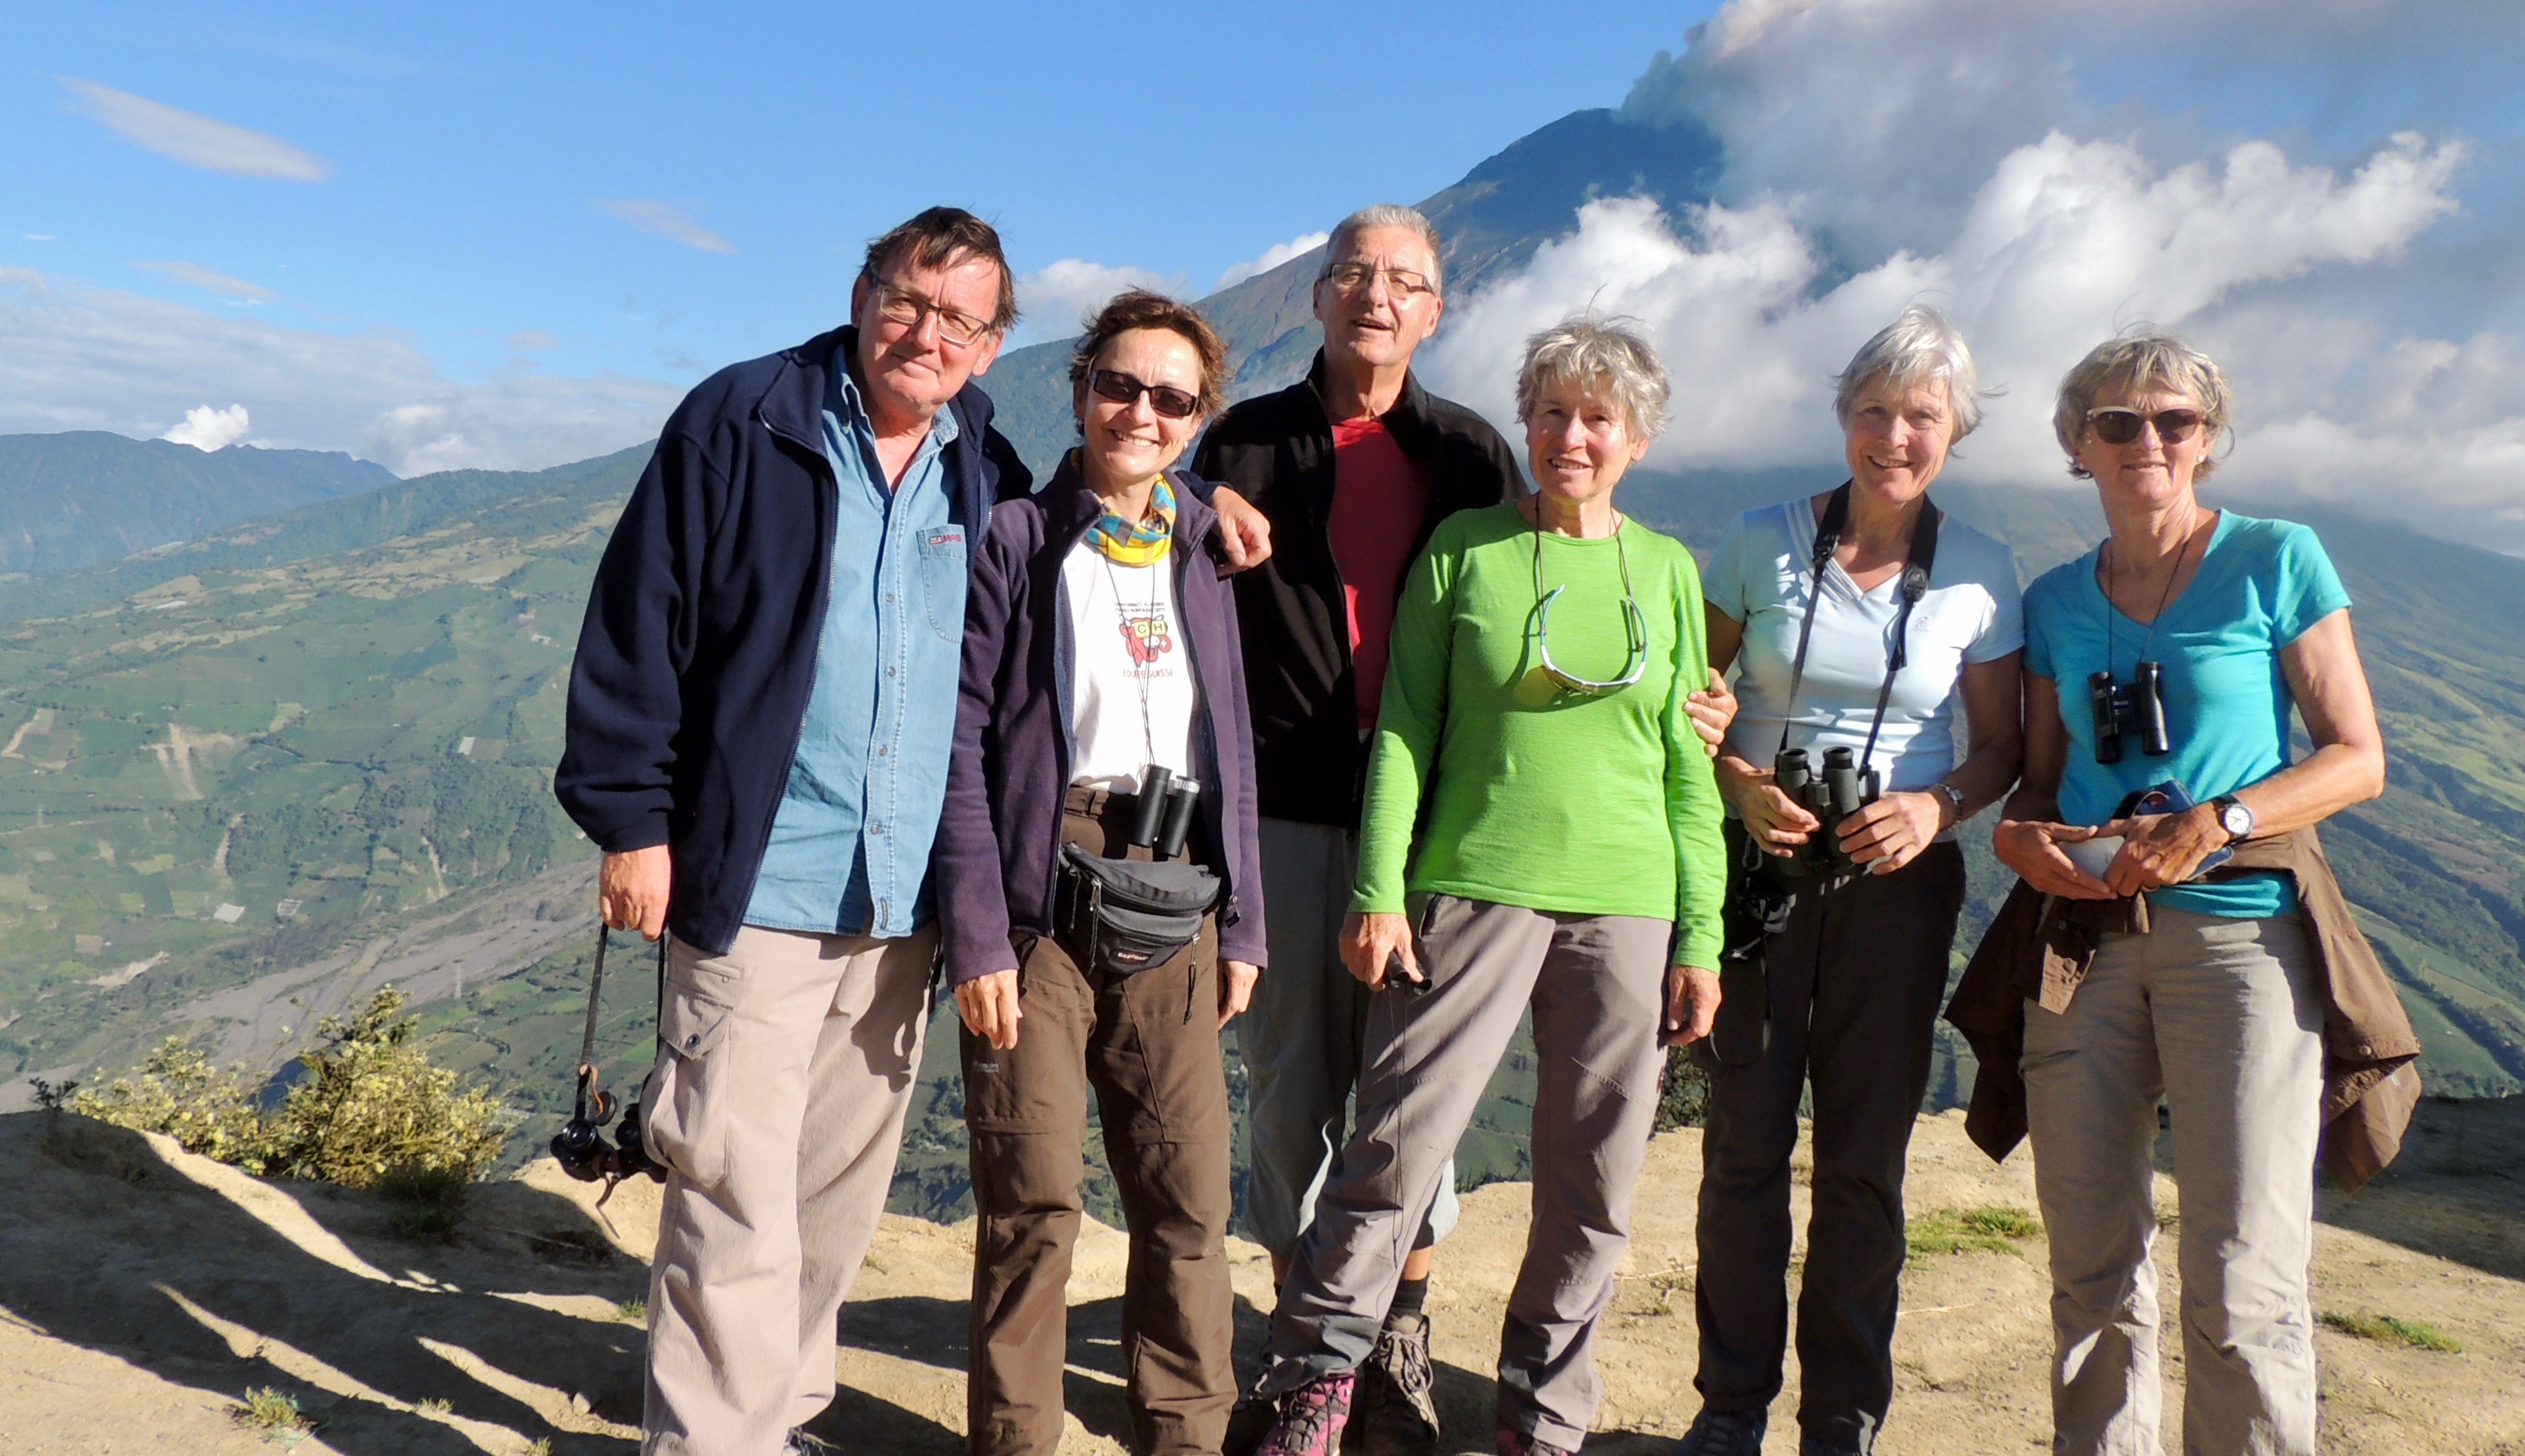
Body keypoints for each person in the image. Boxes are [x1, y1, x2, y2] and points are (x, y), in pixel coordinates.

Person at [1199, 204, 1733, 1456]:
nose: (1569, 436)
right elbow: (1405, 729)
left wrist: (1699, 926)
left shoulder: (1616, 543)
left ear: (1636, 438)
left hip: (1612, 887)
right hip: (1402, 849)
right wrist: (1381, 886)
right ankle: (1311, 1377)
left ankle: (1518, 1410)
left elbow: (1677, 752)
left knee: (1588, 1179)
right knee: (1361, 1129)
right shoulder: (1387, 506)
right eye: (1553, 412)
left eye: (1596, 417)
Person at [553, 207, 1028, 1456]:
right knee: (725, 1183)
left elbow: (1070, 570)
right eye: (906, 299)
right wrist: (631, 821)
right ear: (864, 291)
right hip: (750, 874)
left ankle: (780, 1415)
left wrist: (1210, 523)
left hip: (897, 900)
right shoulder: (746, 420)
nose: (924, 332)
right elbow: (638, 620)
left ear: (989, 346)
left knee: (826, 1196)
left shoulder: (982, 458)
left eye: (957, 318)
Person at [1981, 331, 2398, 1456]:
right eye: (2116, 422)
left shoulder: (2276, 558)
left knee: (2242, 1271)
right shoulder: (2057, 599)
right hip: (2085, 942)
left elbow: (2356, 756)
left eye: (2172, 420)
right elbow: (2033, 777)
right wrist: (2020, 838)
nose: (2145, 440)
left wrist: (2223, 817)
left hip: (2242, 940)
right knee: (2090, 1265)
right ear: (2078, 445)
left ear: (2208, 440)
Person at [1677, 305, 2025, 1456]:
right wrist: (1737, 783)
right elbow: (1690, 704)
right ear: (1841, 417)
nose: (1893, 435)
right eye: (1872, 409)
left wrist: (1936, 807)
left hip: (1898, 882)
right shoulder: (1755, 539)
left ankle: (1841, 1420)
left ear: (1953, 431)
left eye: (1920, 415)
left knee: (1865, 1161)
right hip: (1763, 869)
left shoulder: (1978, 571)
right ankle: (1730, 1409)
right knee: (1743, 1147)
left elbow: (2002, 748)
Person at [933, 290, 1267, 1456]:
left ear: (1196, 422)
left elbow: (1233, 742)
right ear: (1078, 390)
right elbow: (964, 742)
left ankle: (1186, 1436)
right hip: (1041, 907)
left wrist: (1247, 930)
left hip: (1177, 898)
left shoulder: (1209, 550)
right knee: (1032, 1202)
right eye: (1118, 385)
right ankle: (1016, 1442)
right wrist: (978, 934)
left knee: (1187, 1206)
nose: (1139, 410)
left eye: (1169, 398)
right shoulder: (1020, 540)